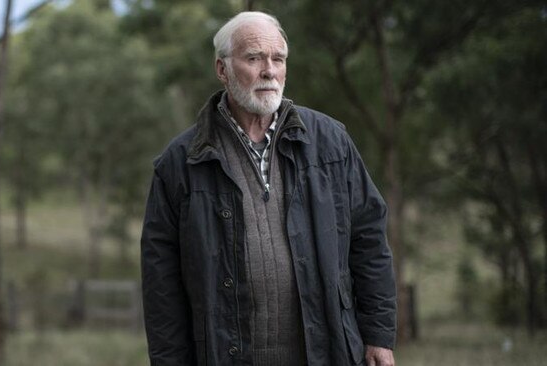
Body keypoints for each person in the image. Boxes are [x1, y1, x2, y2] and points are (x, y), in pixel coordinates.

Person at [141, 11, 396, 366]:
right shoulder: (180, 163)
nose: (269, 71)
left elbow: (369, 241)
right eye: (254, 58)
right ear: (222, 69)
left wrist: (379, 336)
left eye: (278, 59)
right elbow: (161, 286)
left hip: (327, 354)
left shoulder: (331, 142)